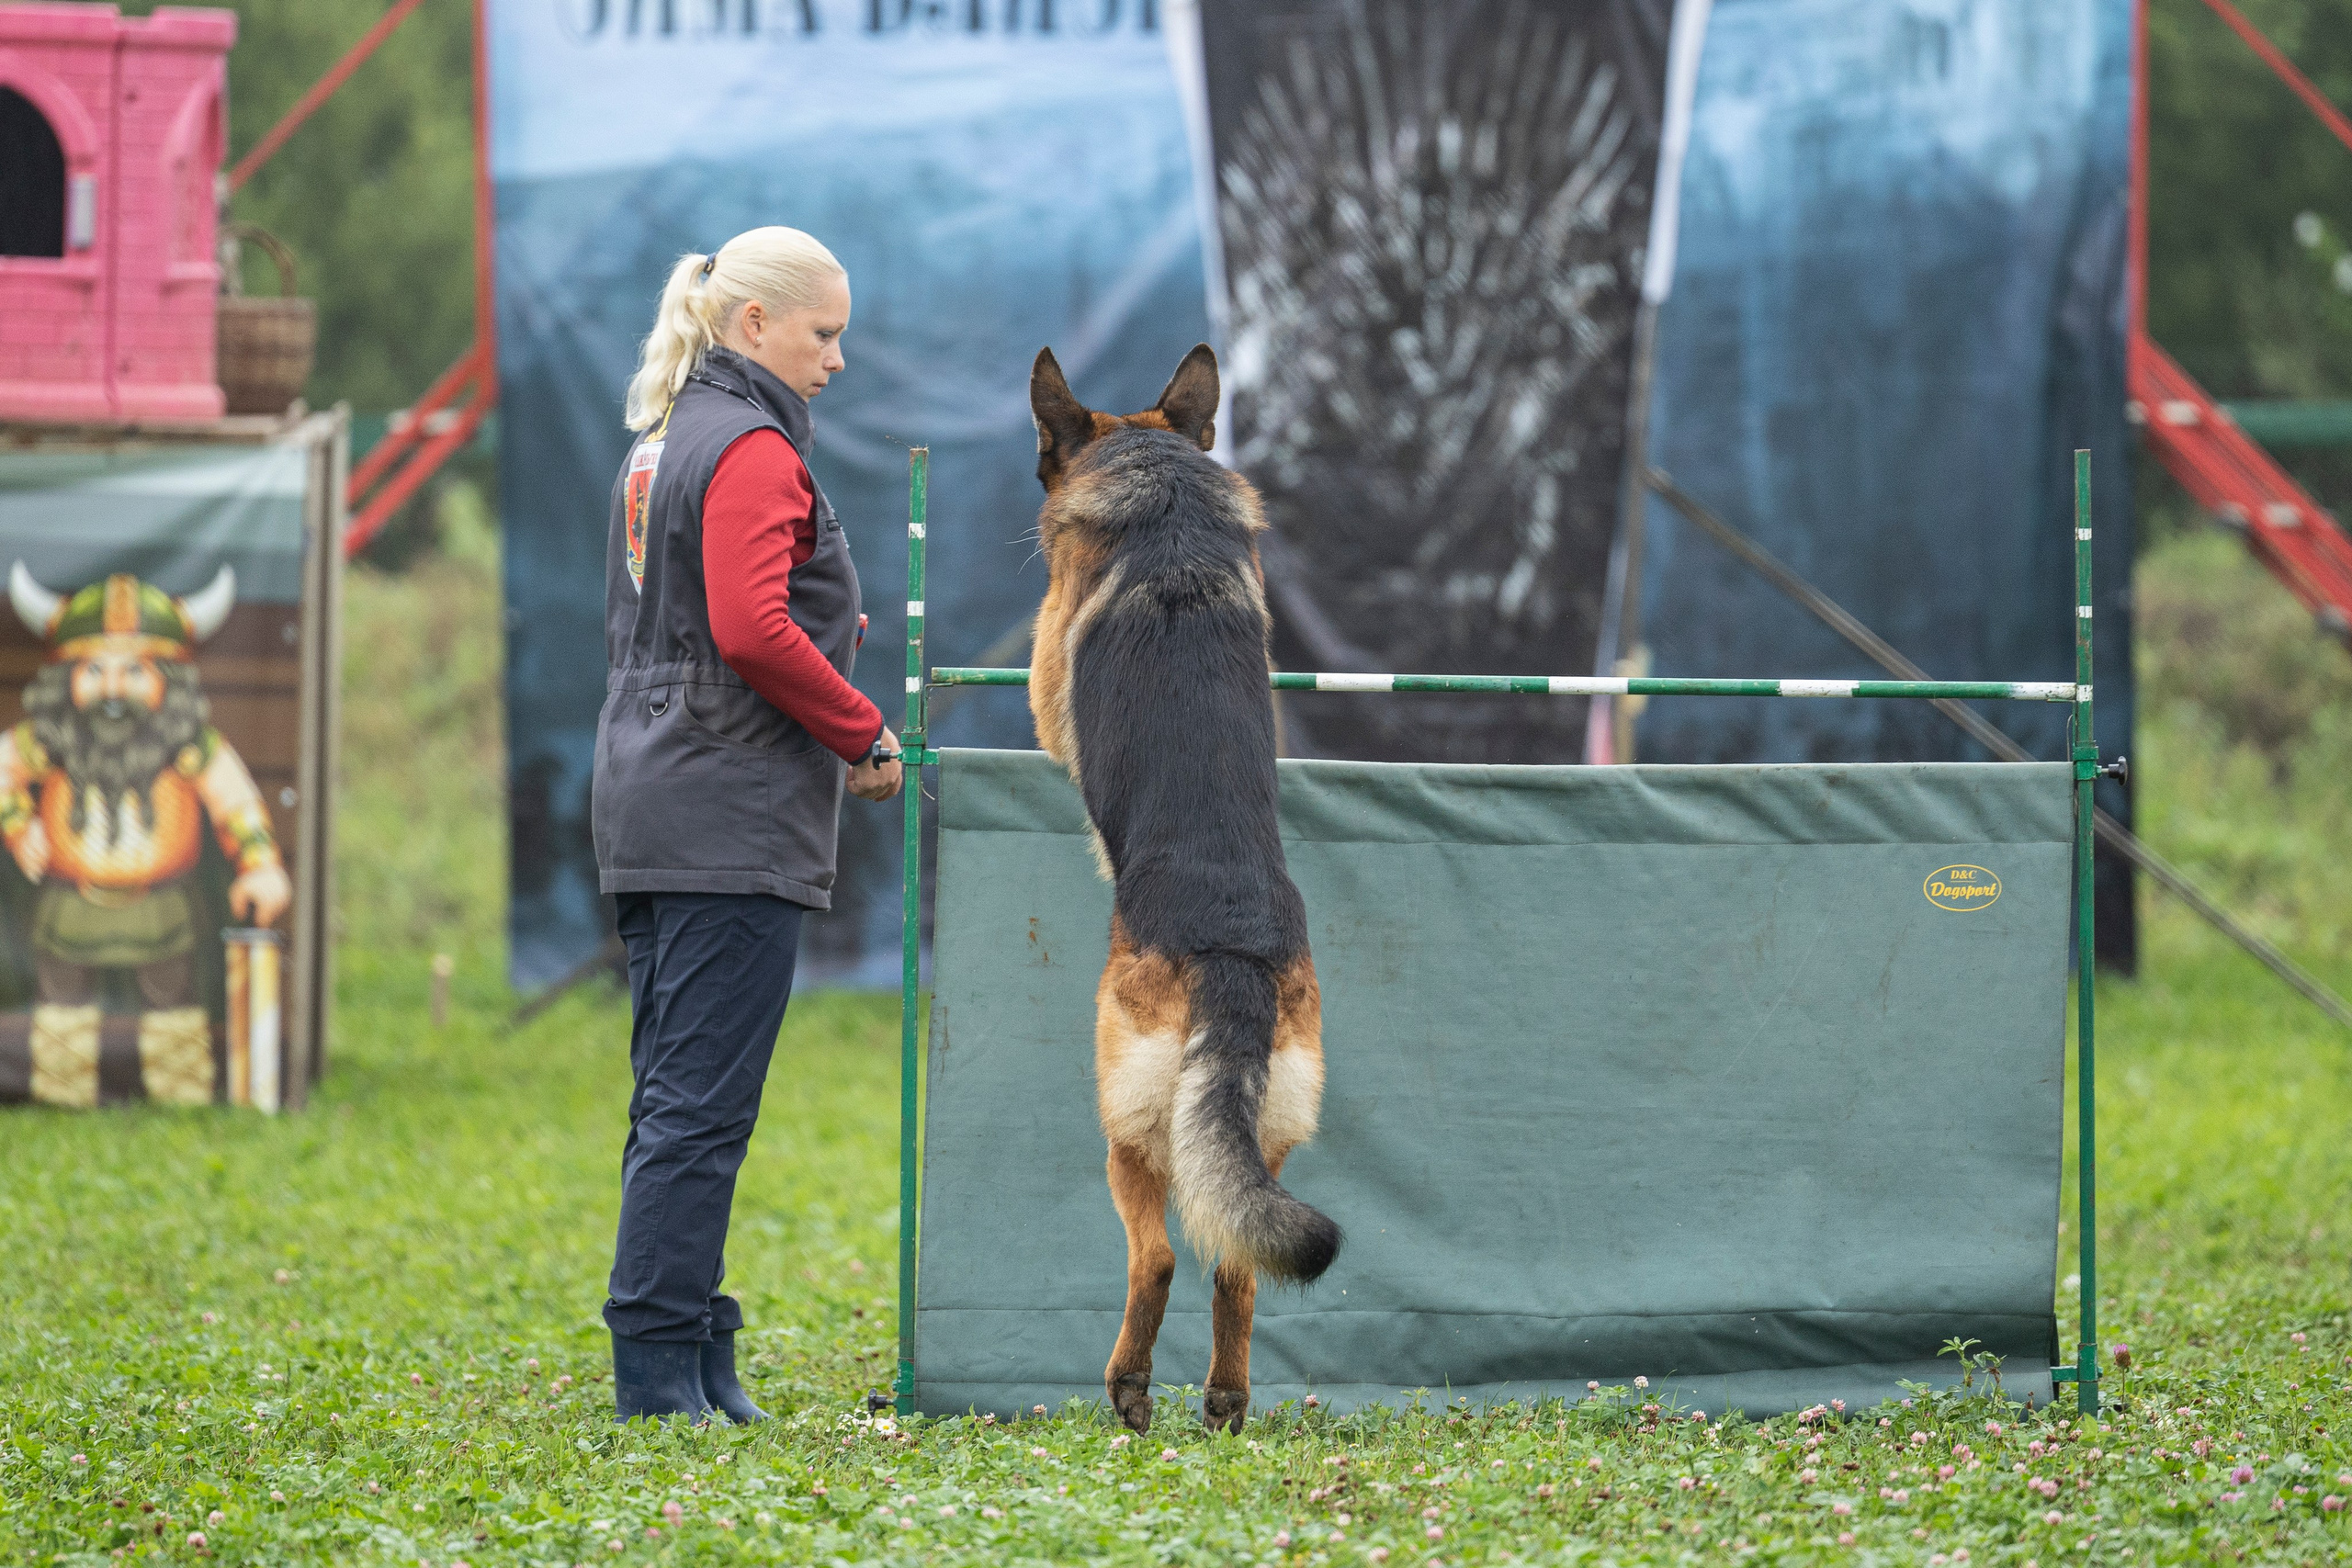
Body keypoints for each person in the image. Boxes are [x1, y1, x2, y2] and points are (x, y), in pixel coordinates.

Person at [592, 225, 902, 1424]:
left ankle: (698, 1348)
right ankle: (658, 1373)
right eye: (824, 334)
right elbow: (752, 628)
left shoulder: (658, 442)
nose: (836, 358)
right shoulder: (755, 449)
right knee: (700, 1104)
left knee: (676, 1091)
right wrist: (858, 730)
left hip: (652, 793)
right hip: (725, 811)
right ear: (753, 326)